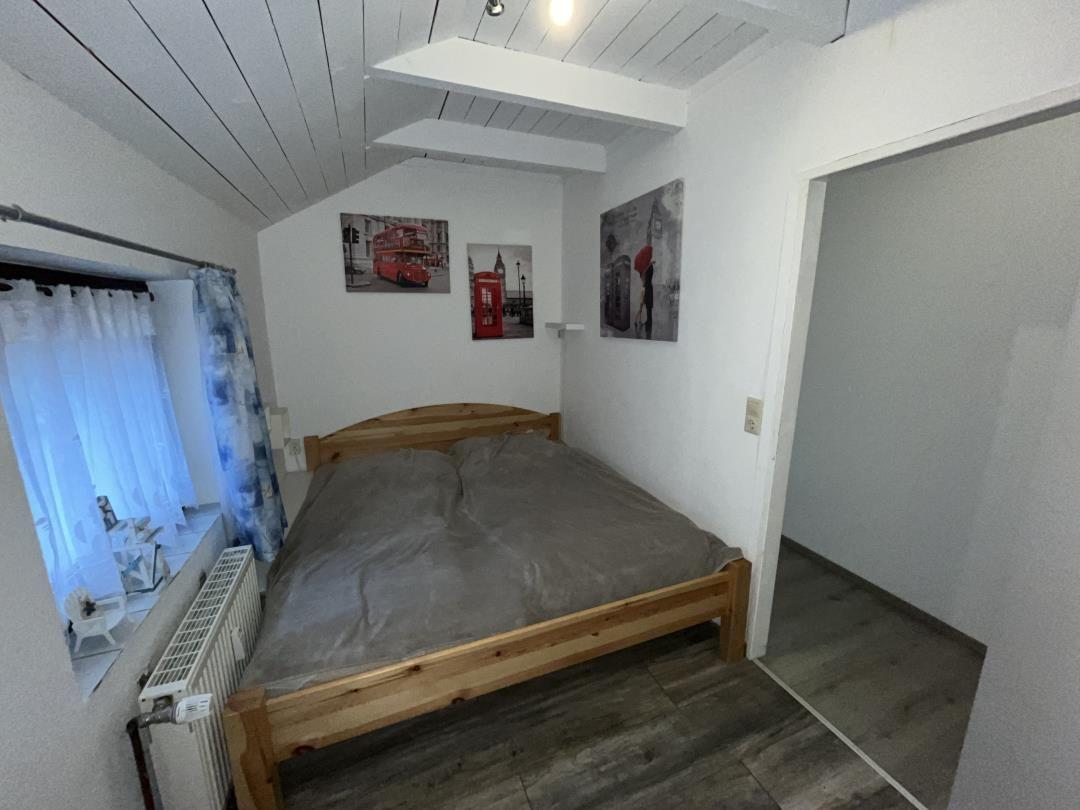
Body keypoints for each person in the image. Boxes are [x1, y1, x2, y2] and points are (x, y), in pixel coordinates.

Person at [634, 245, 654, 339]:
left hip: (646, 288)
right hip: (646, 289)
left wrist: (649, 264)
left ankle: (645, 322)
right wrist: (649, 265)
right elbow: (643, 279)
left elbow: (646, 279)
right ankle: (640, 321)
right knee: (643, 307)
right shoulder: (643, 269)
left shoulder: (645, 267)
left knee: (647, 307)